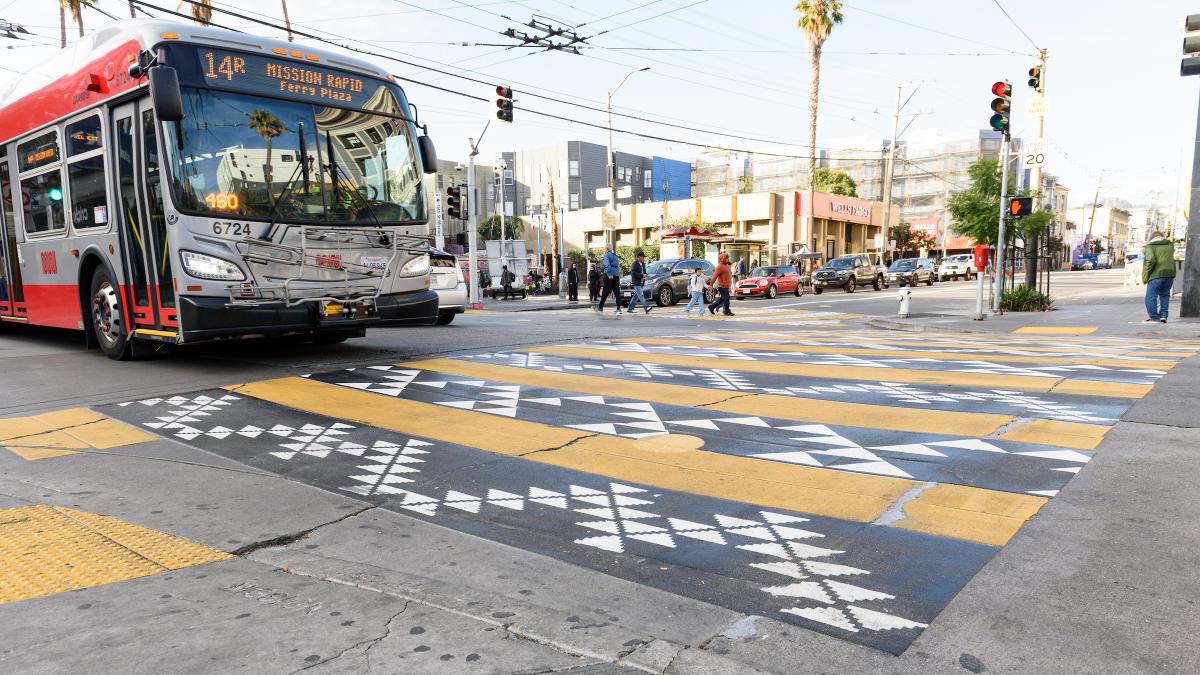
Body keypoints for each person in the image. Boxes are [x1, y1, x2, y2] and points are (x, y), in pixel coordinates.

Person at [1142, 230, 1177, 323]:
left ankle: (1154, 317)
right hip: (1170, 274)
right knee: (1165, 295)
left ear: (1151, 238)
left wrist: (1145, 275)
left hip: (1156, 275)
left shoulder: (1150, 247)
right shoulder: (1170, 245)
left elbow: (1150, 261)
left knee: (1151, 296)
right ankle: (1163, 316)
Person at [596, 244, 622, 314]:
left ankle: (600, 307)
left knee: (605, 291)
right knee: (617, 292)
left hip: (609, 275)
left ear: (606, 249)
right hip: (616, 275)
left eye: (604, 248)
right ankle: (619, 309)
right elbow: (617, 266)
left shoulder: (606, 255)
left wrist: (609, 274)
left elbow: (607, 265)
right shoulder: (615, 256)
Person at [707, 252, 734, 316]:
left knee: (723, 299)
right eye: (726, 258)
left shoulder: (726, 265)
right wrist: (711, 284)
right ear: (722, 259)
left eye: (727, 258)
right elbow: (714, 276)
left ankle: (711, 307)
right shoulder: (719, 267)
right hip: (722, 286)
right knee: (726, 299)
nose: (727, 259)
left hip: (726, 285)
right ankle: (726, 311)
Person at [627, 250, 653, 314]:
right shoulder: (634, 264)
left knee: (636, 296)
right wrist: (642, 275)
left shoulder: (643, 264)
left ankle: (630, 308)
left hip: (641, 282)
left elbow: (644, 272)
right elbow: (633, 274)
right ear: (638, 257)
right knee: (641, 295)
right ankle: (646, 307)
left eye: (644, 257)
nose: (644, 258)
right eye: (642, 257)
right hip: (636, 282)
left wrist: (646, 275)